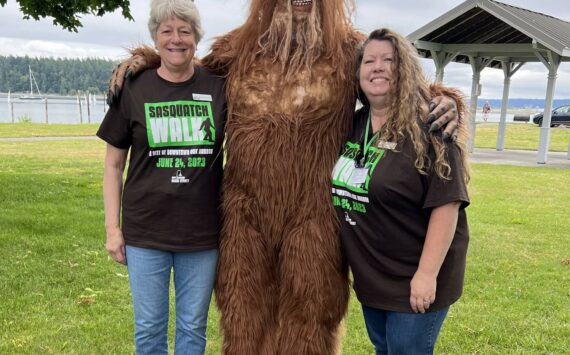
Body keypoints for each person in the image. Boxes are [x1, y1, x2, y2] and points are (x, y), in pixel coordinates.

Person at [107, 1, 465, 353]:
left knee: (311, 316)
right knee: (244, 313)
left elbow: (388, 84)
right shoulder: (239, 47)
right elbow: (186, 71)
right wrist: (147, 60)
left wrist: (440, 100)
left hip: (315, 214)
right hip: (246, 214)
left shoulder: (346, 50)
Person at [97, 0, 226, 353]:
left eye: (185, 31)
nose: (176, 39)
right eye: (166, 31)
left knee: (191, 328)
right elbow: (112, 165)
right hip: (146, 233)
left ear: (197, 37)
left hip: (201, 235)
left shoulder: (219, 86)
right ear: (155, 37)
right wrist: (113, 229)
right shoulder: (135, 87)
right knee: (150, 328)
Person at [331, 28, 470, 354]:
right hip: (373, 277)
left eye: (388, 60)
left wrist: (425, 275)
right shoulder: (353, 124)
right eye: (369, 61)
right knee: (384, 348)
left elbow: (447, 205)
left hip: (415, 275)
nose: (377, 67)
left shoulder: (432, 125)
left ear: (404, 70)